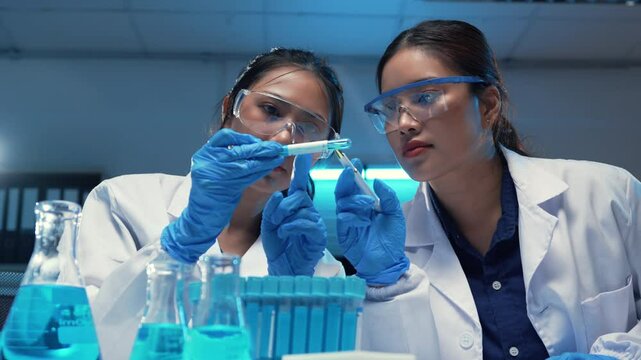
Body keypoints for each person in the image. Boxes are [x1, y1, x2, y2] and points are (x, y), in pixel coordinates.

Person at [335, 20, 640, 359]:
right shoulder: (393, 253)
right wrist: (382, 287)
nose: (404, 123)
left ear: (489, 105)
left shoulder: (607, 194)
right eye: (390, 109)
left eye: (424, 96)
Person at [63, 48, 346, 360]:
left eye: (309, 127)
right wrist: (179, 244)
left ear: (324, 149)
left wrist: (292, 291)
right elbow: (74, 340)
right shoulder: (123, 202)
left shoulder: (317, 263)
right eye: (270, 110)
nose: (283, 139)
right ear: (230, 107)